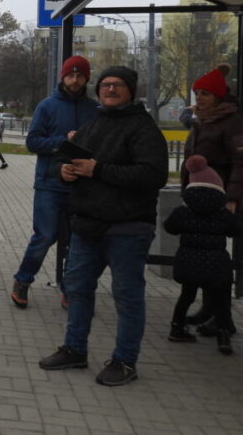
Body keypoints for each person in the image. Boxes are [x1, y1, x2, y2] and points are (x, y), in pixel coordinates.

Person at [38, 66, 168, 386]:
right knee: (78, 288)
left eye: (118, 85)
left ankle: (124, 360)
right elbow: (64, 161)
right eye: (105, 85)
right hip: (87, 223)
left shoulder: (144, 129)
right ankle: (75, 349)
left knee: (127, 296)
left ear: (132, 90)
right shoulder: (93, 124)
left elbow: (152, 176)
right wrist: (64, 171)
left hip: (128, 226)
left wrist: (98, 170)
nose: (110, 90)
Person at [11, 56, 98, 308]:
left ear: (86, 79)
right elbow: (33, 142)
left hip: (81, 185)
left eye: (80, 76)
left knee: (76, 240)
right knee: (45, 236)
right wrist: (64, 140)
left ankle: (70, 288)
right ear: (62, 77)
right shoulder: (47, 106)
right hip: (49, 184)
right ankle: (23, 280)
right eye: (70, 75)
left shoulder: (94, 109)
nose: (74, 80)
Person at [180, 65, 243, 337]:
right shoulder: (203, 119)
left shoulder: (231, 121)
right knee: (205, 256)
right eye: (197, 93)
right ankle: (209, 309)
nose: (200, 98)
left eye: (205, 93)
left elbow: (240, 161)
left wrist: (231, 198)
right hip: (200, 198)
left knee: (217, 261)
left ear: (218, 95)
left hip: (220, 199)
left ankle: (221, 316)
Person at [163, 155, 236, 354]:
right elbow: (235, 230)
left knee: (186, 295)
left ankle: (176, 328)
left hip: (189, 262)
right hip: (217, 263)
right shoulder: (223, 215)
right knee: (220, 300)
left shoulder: (183, 212)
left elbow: (169, 228)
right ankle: (223, 335)